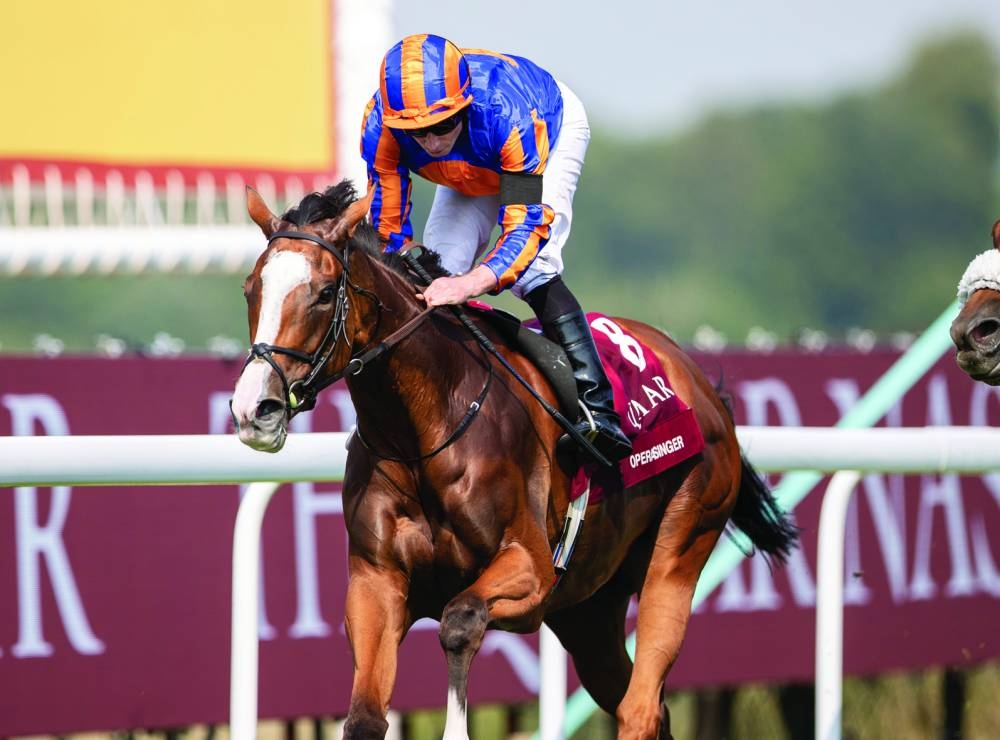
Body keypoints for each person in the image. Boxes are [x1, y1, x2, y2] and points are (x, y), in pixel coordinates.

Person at [360, 33, 631, 463]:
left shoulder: (509, 115)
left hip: (542, 139)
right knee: (433, 273)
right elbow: (387, 231)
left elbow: (525, 230)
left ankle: (597, 409)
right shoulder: (380, 128)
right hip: (470, 166)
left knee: (534, 268)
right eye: (415, 133)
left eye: (442, 125)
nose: (431, 142)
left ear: (464, 106)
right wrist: (419, 269)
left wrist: (471, 283)